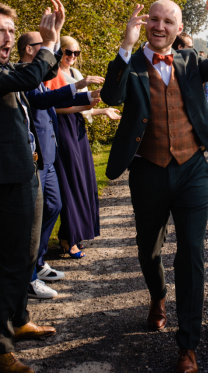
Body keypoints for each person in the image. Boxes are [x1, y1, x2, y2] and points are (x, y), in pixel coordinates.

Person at [100, 0, 208, 373]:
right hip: (147, 170)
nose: (160, 26)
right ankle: (158, 295)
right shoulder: (129, 65)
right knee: (149, 248)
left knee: (191, 254)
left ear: (180, 29)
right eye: (154, 20)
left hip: (193, 170)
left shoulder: (192, 60)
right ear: (145, 24)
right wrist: (125, 46)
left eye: (168, 21)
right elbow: (110, 96)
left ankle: (188, 346)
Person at [0, 0, 60, 372]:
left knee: (28, 252)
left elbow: (30, 80)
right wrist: (50, 43)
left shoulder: (4, 68)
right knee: (12, 261)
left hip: (26, 171)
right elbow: (30, 76)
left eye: (11, 29)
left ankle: (19, 319)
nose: (8, 36)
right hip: (7, 177)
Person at [18, 31, 104, 298]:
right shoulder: (25, 75)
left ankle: (40, 261)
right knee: (36, 215)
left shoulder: (39, 75)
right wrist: (80, 90)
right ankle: (29, 276)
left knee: (54, 205)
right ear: (30, 50)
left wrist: (91, 100)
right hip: (38, 156)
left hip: (50, 152)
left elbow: (52, 100)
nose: (56, 56)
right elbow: (44, 101)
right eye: (45, 47)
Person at [44, 36, 120, 258]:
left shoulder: (75, 75)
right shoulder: (53, 74)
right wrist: (85, 103)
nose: (72, 57)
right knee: (72, 182)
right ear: (59, 52)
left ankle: (73, 235)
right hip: (63, 130)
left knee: (85, 181)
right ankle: (68, 239)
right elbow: (53, 107)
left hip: (77, 129)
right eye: (68, 52)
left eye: (76, 53)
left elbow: (81, 106)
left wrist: (102, 109)